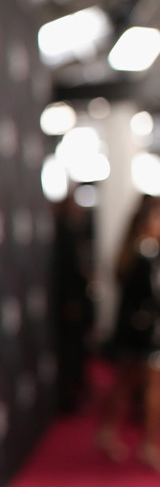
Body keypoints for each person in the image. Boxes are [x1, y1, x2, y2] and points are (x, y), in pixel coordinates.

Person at [97, 194, 160, 472]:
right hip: (144, 335)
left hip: (139, 333)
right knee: (144, 387)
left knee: (128, 383)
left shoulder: (142, 252)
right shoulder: (143, 255)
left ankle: (110, 432)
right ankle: (148, 445)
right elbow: (144, 299)